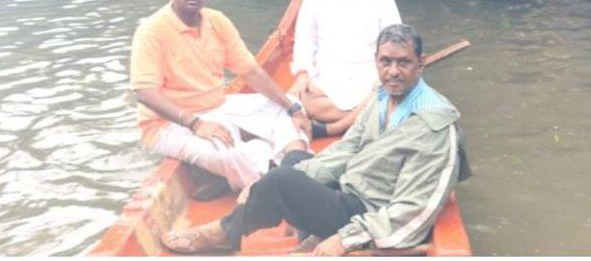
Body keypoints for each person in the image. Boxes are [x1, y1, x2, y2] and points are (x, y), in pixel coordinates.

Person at [161, 24, 471, 255]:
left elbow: (416, 209)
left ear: (421, 62)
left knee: (281, 181)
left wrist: (348, 238)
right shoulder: (383, 96)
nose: (393, 71)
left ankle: (225, 233)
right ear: (375, 61)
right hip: (350, 188)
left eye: (403, 62)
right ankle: (291, 220)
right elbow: (349, 148)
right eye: (385, 62)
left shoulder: (434, 125)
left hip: (368, 213)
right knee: (294, 163)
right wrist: (276, 179)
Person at [130, 0, 311, 195]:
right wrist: (196, 124)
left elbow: (250, 71)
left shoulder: (217, 21)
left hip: (218, 105)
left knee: (290, 106)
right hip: (170, 123)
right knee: (230, 154)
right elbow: (144, 92)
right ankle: (279, 168)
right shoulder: (151, 31)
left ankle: (288, 163)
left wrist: (293, 109)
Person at [289, 0, 401, 137]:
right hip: (329, 77)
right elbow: (305, 43)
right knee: (301, 97)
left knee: (385, 92)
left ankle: (333, 128)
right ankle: (363, 117)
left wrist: (382, 77)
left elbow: (395, 46)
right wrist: (303, 74)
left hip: (369, 77)